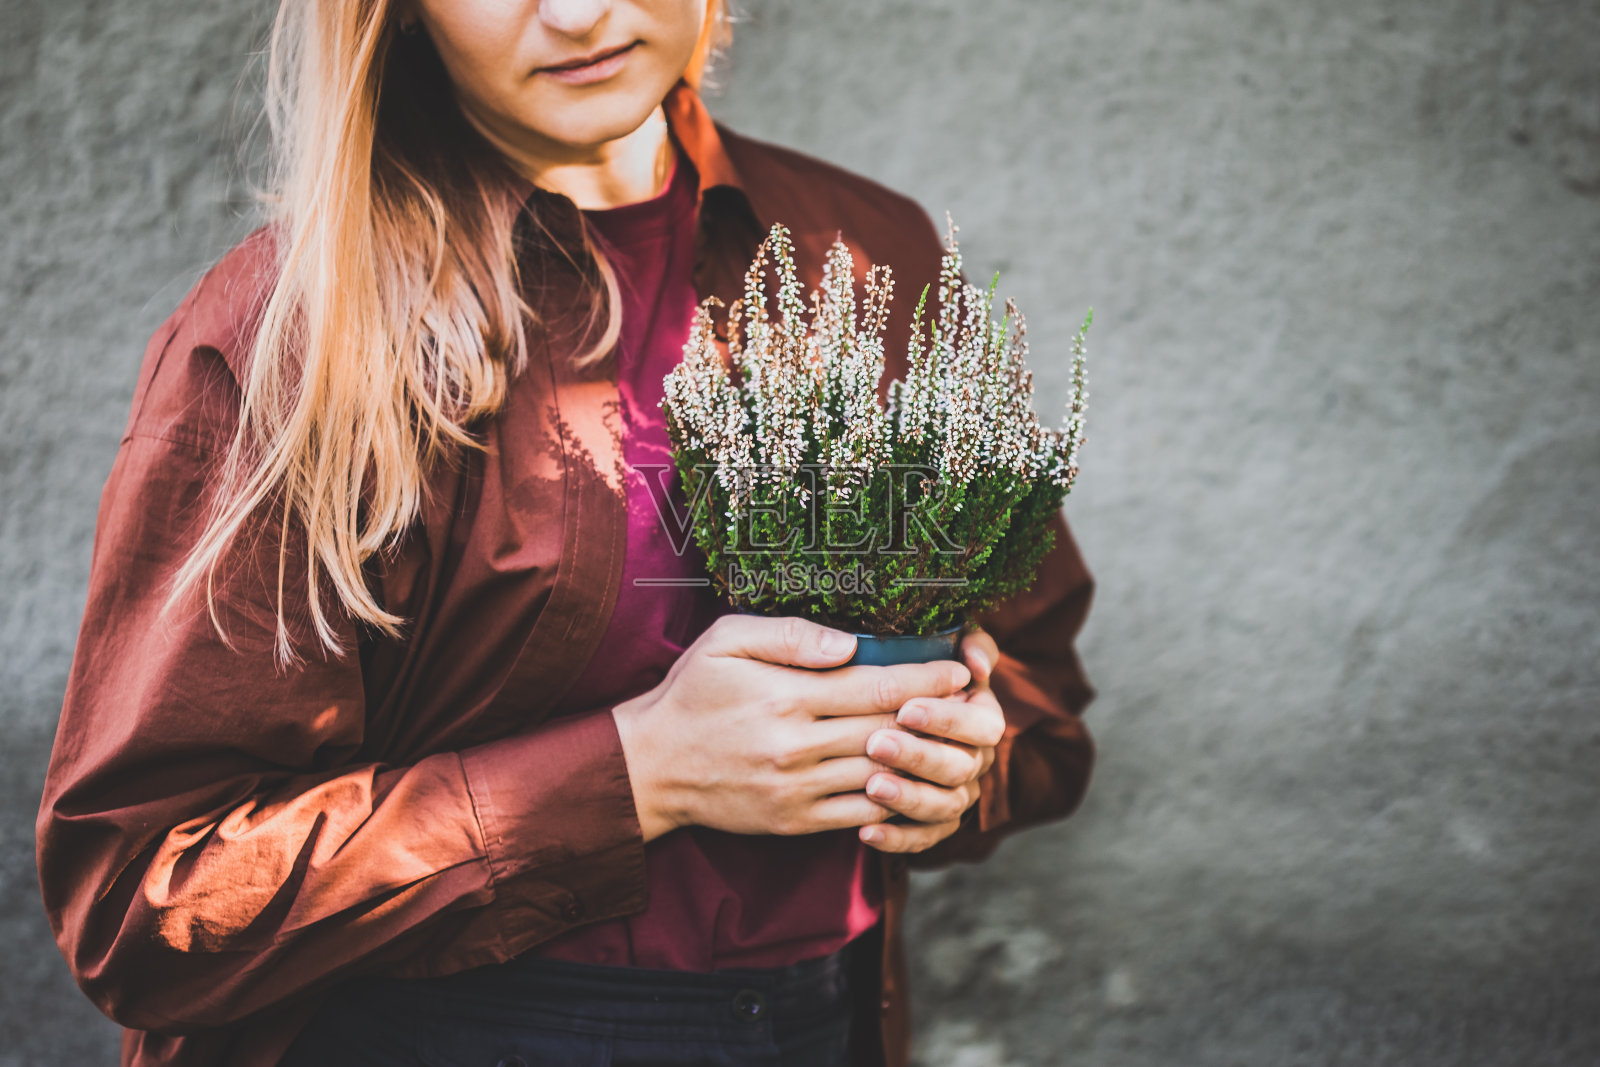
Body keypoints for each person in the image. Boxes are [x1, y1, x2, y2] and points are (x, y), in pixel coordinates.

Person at [35, 1, 1097, 1064]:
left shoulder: (866, 255)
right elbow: (144, 901)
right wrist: (643, 775)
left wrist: (961, 762)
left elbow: (1040, 702)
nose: (580, 11)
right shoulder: (299, 327)